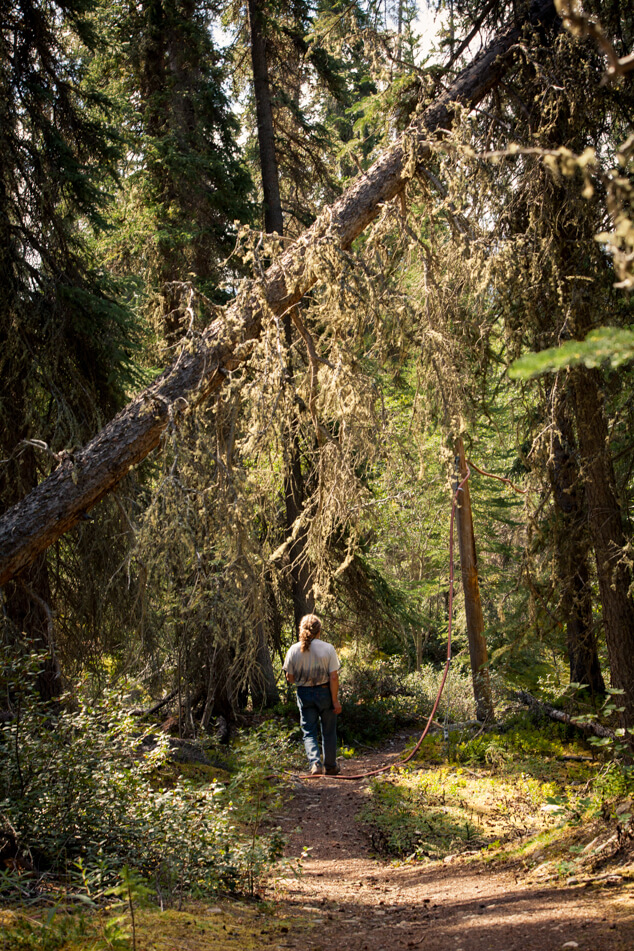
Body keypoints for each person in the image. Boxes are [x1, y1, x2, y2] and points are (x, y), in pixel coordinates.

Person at [283, 614, 342, 775]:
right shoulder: (328, 648)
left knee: (309, 731)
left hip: (304, 693)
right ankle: (330, 765)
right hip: (325, 692)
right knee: (328, 730)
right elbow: (334, 676)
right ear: (319, 630)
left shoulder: (294, 650)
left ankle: (315, 763)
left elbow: (290, 678)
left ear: (301, 629)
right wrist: (335, 700)